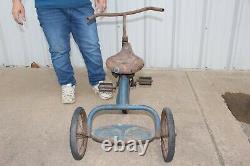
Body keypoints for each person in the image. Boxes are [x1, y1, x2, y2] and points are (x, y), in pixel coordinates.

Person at [12, 0, 112, 104]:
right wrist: (16, 2)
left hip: (81, 5)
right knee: (58, 50)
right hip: (48, 8)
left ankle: (98, 80)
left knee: (91, 46)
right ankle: (67, 84)